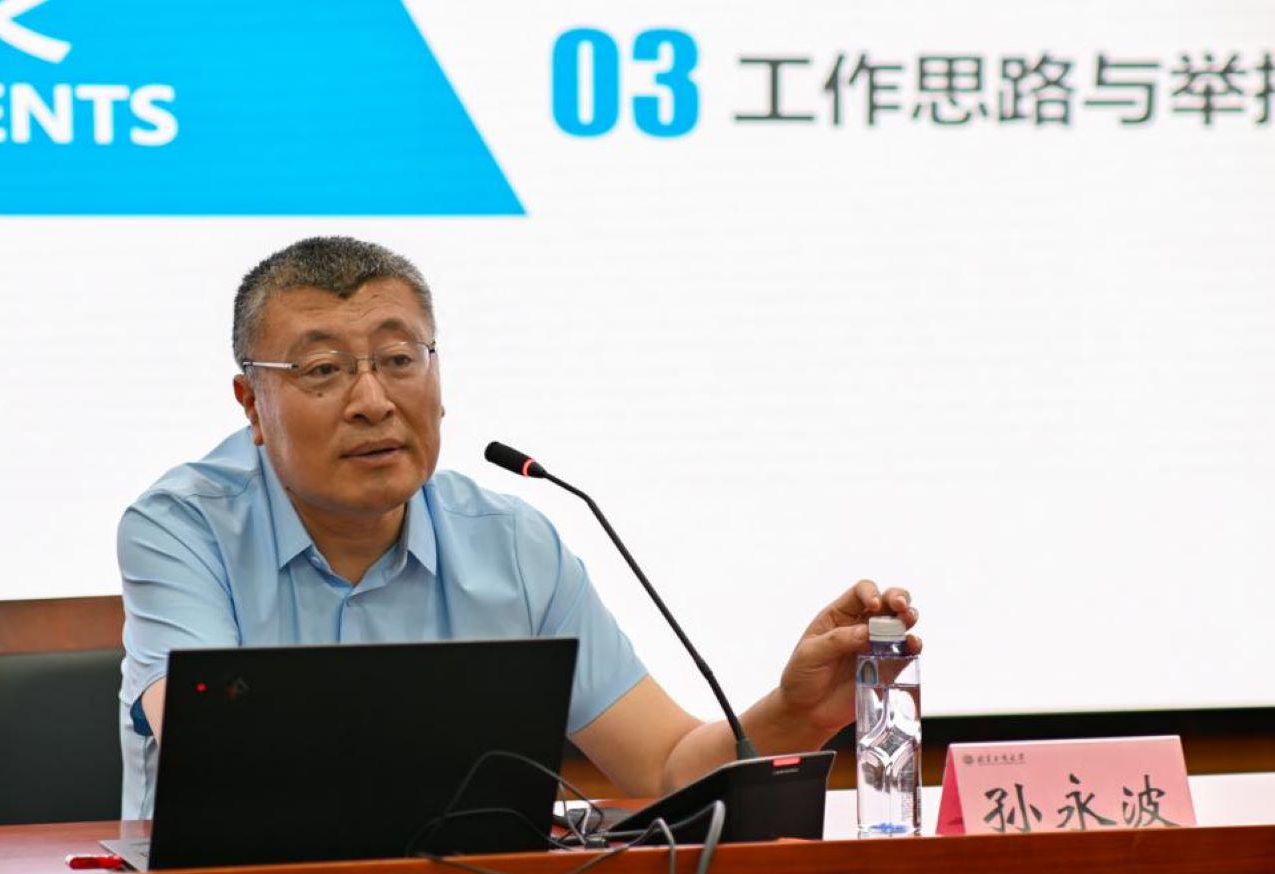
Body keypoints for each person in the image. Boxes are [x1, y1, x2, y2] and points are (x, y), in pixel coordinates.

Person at [117, 236, 919, 819]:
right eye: (323, 370)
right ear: (252, 405)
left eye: (399, 360)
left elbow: (667, 767)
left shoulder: (511, 543)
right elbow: (209, 748)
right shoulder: (183, 529)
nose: (373, 401)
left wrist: (796, 712)